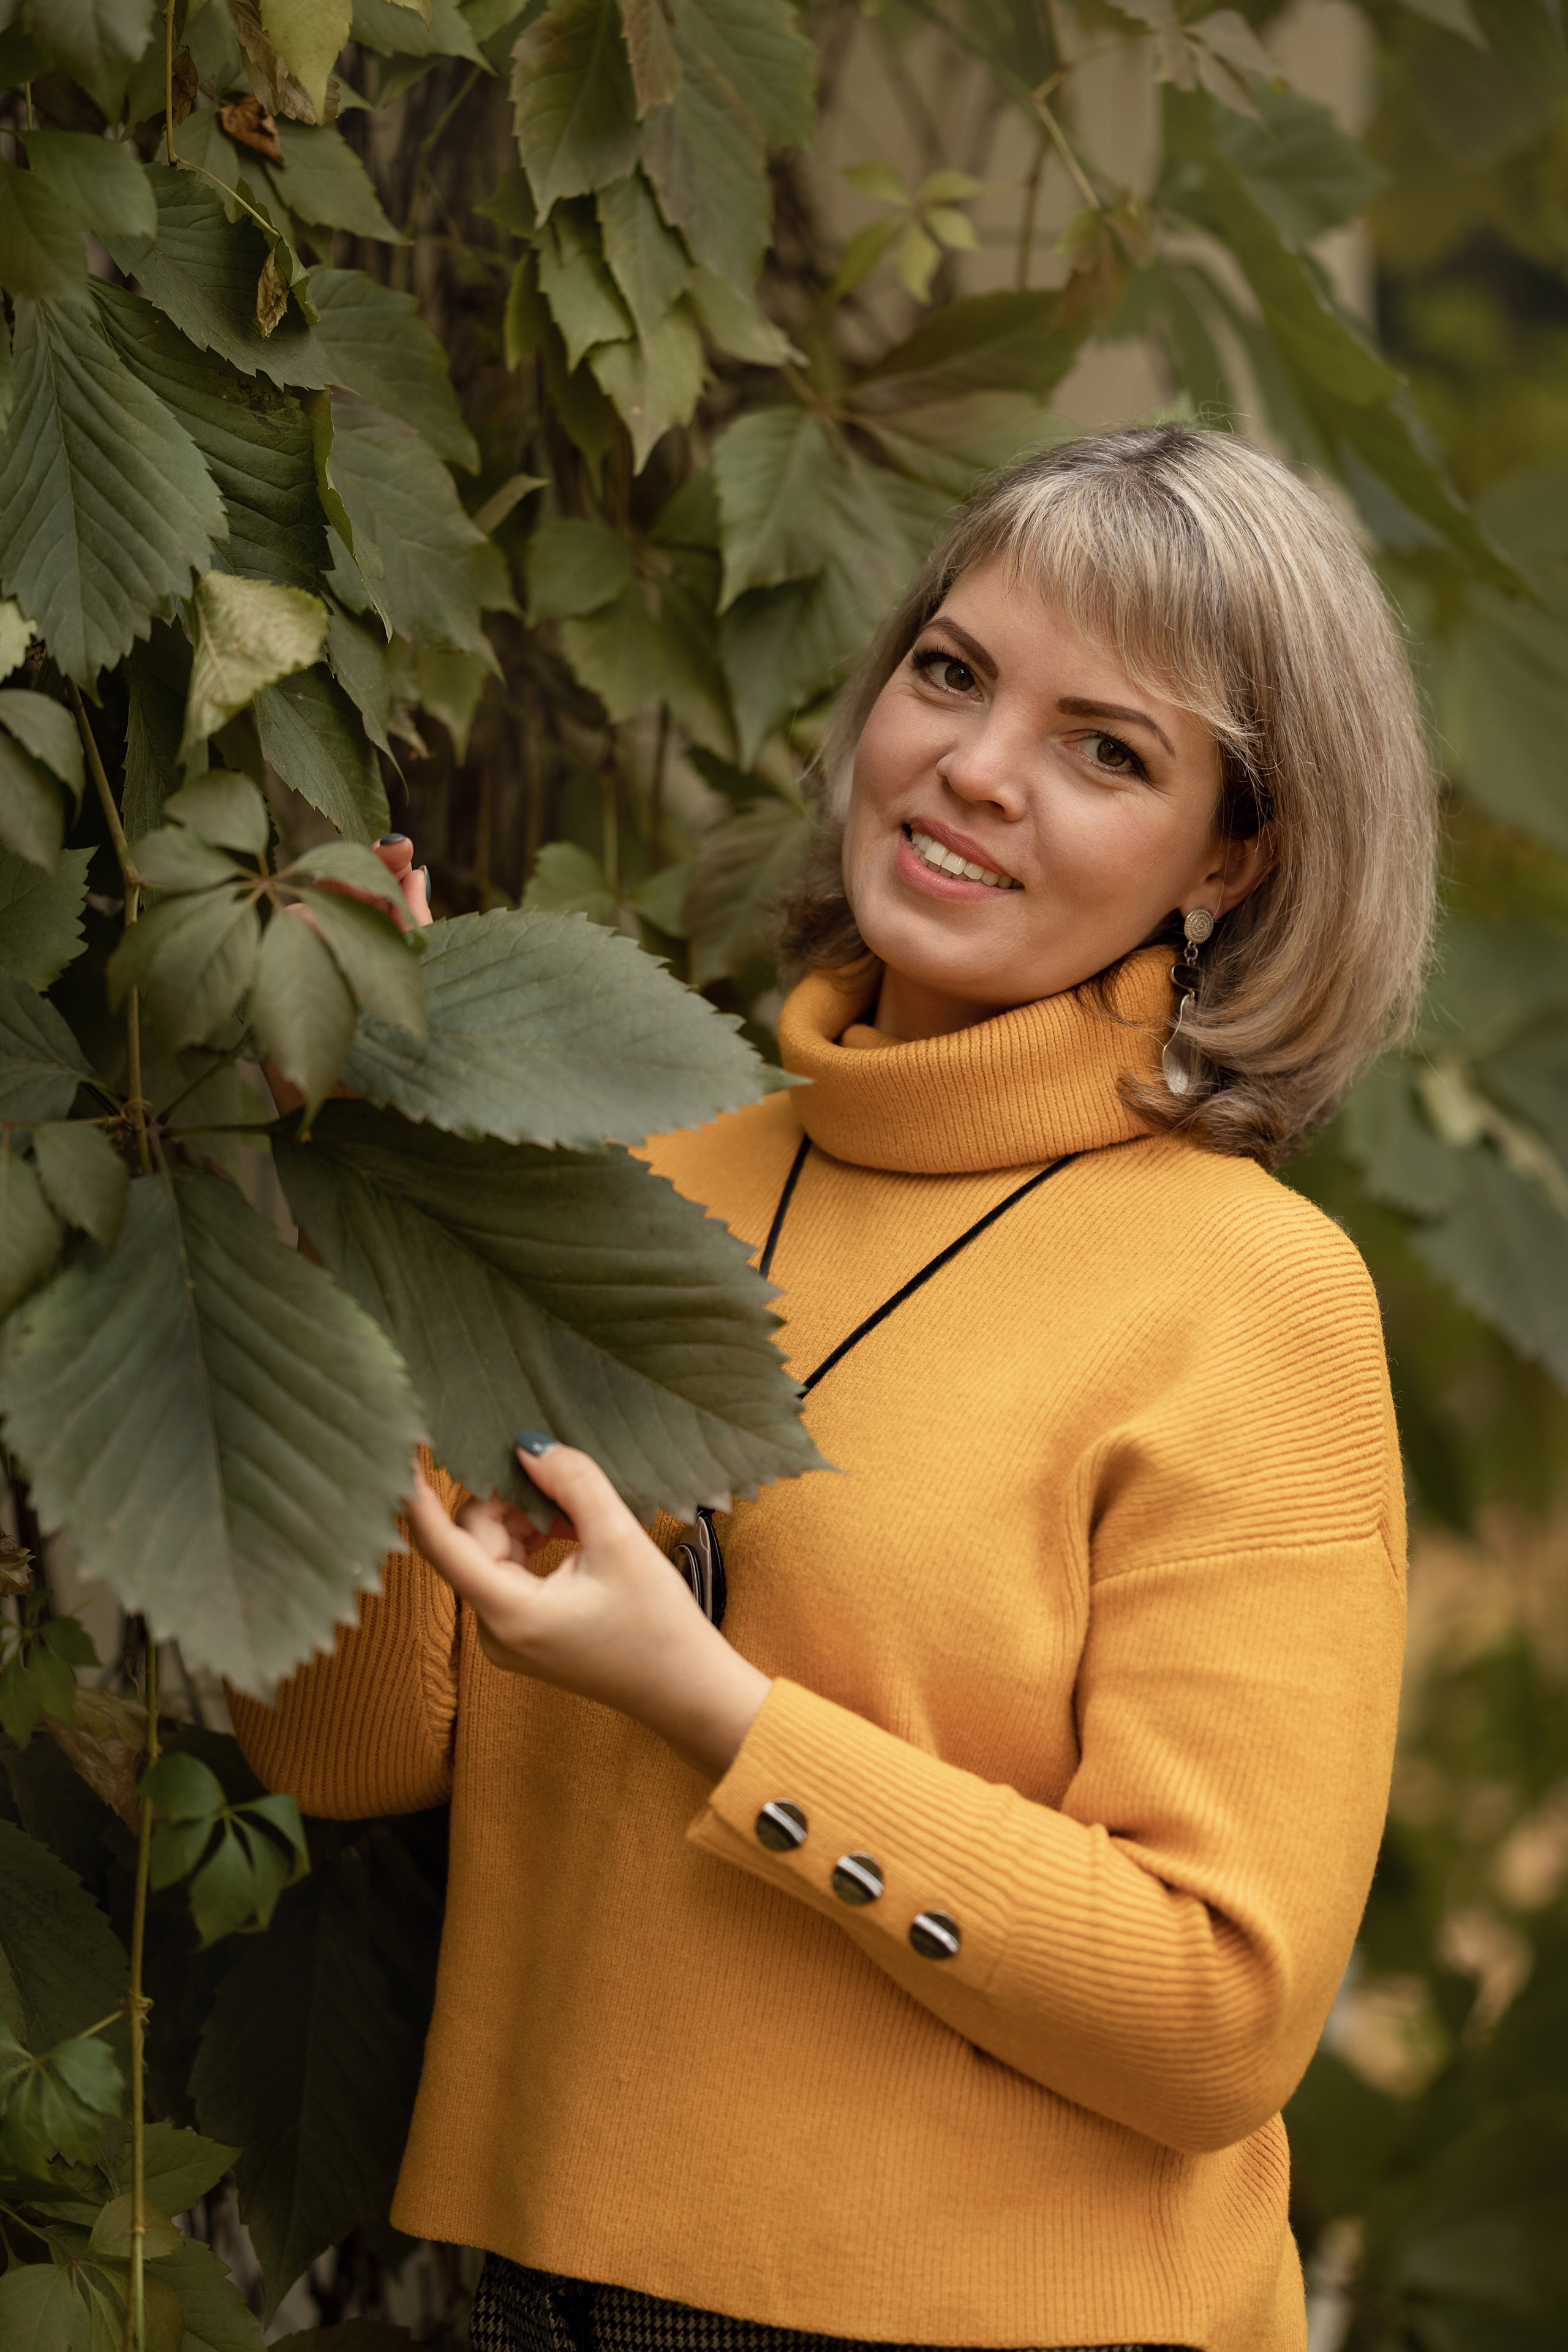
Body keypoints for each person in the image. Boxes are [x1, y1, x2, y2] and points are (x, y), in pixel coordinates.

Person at [229, 426, 1431, 2352]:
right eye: (952, 673)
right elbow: (346, 1751)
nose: (975, 767)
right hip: (542, 2296)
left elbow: (1221, 2014)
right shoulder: (646, 1157)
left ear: (1234, 860)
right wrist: (384, 1187)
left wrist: (709, 1707)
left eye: (1104, 748)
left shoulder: (1254, 1298)